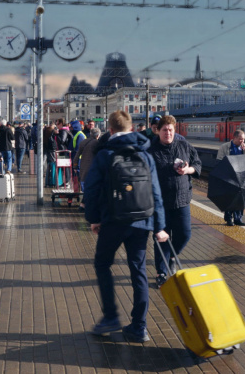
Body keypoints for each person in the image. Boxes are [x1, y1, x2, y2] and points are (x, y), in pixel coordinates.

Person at [84, 110, 168, 342]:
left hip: (113, 220)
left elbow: (91, 189)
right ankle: (139, 326)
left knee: (102, 264)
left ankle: (111, 317)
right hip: (142, 223)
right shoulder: (146, 154)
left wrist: (93, 219)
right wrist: (159, 227)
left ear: (110, 130)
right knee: (138, 271)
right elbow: (156, 193)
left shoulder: (105, 154)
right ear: (132, 129)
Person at [147, 115, 201, 287]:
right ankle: (161, 272)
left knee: (185, 234)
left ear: (174, 130)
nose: (168, 133)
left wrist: (187, 170)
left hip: (181, 199)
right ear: (158, 131)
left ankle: (170, 256)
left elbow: (198, 164)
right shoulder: (150, 149)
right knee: (162, 238)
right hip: (160, 203)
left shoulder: (184, 145)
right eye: (165, 130)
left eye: (171, 130)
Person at [216, 130, 245, 226]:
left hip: (240, 178)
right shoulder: (225, 147)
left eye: (243, 139)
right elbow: (219, 161)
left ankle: (238, 218)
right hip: (229, 177)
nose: (242, 141)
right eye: (240, 139)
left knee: (240, 199)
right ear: (235, 138)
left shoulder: (244, 148)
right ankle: (229, 218)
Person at [75, 126, 102, 209]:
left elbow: (77, 156)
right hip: (93, 169)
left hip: (83, 167)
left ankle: (83, 204)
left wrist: (75, 166)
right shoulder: (97, 143)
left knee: (86, 187)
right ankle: (85, 205)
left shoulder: (83, 142)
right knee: (92, 188)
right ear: (98, 136)